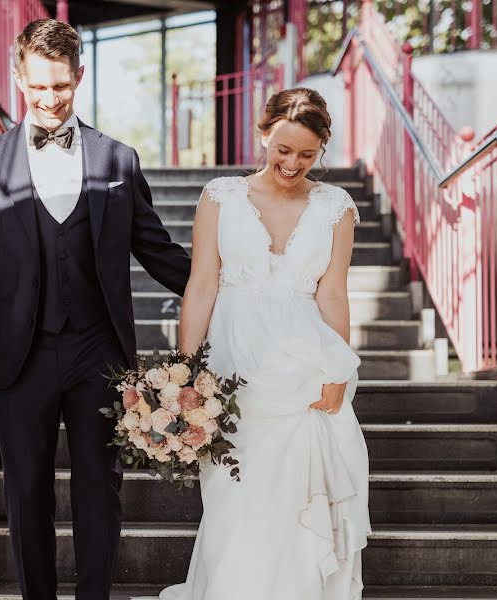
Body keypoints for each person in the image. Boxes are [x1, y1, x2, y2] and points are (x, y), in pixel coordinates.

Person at [0, 18, 191, 600]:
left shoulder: (119, 161)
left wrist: (227, 290)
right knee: (26, 490)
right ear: (18, 79)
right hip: (20, 351)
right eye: (37, 87)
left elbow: (158, 249)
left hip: (98, 351)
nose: (48, 99)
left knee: (99, 488)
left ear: (80, 77)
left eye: (60, 87)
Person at [160, 88, 371, 600]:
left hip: (304, 360)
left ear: (322, 150)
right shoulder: (221, 196)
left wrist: (337, 370)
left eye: (307, 154)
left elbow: (334, 292)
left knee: (297, 491)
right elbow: (202, 283)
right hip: (234, 361)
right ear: (263, 135)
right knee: (235, 493)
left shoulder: (336, 207)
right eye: (283, 149)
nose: (292, 163)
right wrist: (185, 373)